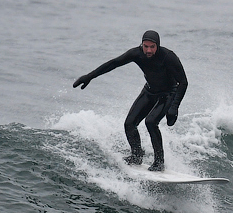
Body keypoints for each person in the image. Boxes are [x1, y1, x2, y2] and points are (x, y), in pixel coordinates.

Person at [72, 30, 187, 172]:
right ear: (142, 45)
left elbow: (183, 82)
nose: (148, 50)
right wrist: (89, 76)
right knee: (129, 124)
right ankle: (137, 156)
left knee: (151, 122)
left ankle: (159, 162)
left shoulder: (168, 57)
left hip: (168, 93)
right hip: (150, 91)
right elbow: (113, 63)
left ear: (158, 46)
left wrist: (174, 107)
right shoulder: (136, 54)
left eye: (152, 47)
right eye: (146, 46)